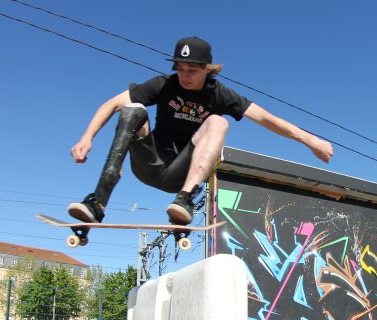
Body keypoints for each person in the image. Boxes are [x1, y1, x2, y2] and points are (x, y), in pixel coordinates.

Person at [68, 37, 334, 225]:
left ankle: (185, 199)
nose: (184, 76)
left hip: (180, 173)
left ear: (207, 69)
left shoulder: (220, 94)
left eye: (192, 70)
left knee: (218, 122)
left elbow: (266, 119)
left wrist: (310, 140)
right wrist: (86, 137)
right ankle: (98, 201)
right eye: (180, 69)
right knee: (132, 109)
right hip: (149, 162)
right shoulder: (163, 85)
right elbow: (111, 103)